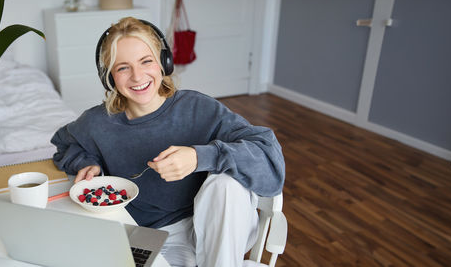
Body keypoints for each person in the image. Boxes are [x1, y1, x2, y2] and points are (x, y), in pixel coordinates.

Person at [50, 17, 285, 267]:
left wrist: (200, 157)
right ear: (109, 78)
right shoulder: (97, 123)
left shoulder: (198, 109)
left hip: (213, 228)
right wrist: (88, 162)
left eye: (146, 61)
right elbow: (64, 144)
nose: (137, 75)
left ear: (164, 63)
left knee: (226, 184)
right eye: (122, 68)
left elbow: (269, 160)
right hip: (152, 237)